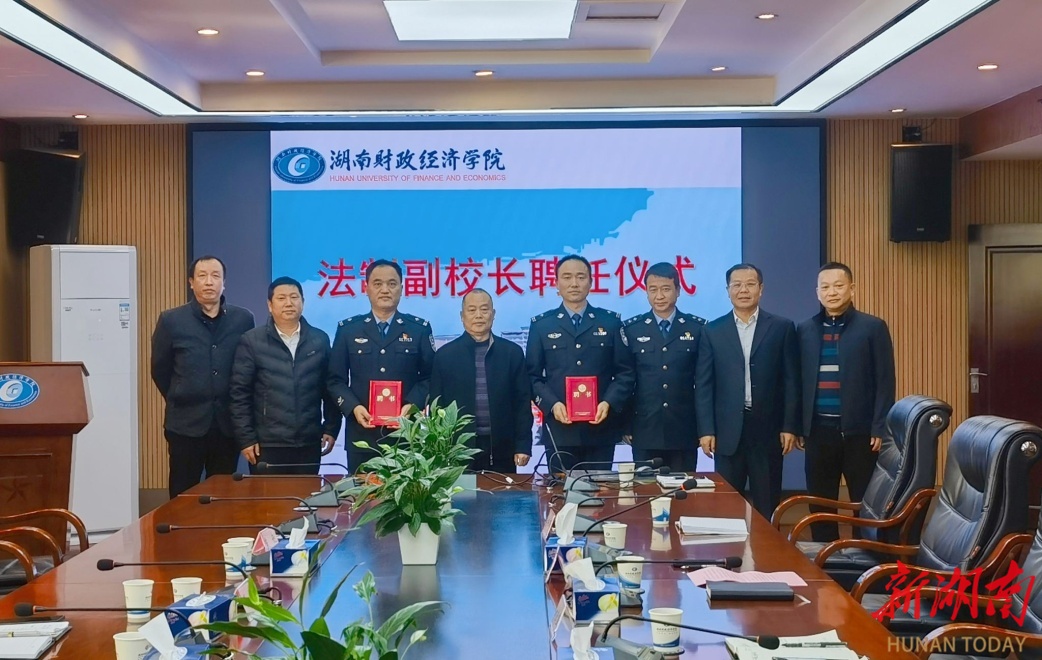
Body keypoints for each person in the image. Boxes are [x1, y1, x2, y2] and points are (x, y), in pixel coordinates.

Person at [798, 261, 896, 541]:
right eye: (825, 287)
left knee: (863, 501)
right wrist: (800, 425)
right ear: (817, 292)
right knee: (820, 501)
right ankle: (823, 555)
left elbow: (885, 381)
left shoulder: (872, 327)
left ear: (852, 289)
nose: (831, 292)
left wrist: (879, 427)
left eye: (838, 286)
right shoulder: (805, 330)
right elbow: (798, 383)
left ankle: (863, 553)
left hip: (860, 433)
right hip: (818, 431)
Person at [695, 263, 800, 517]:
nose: (743, 290)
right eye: (737, 285)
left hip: (768, 429)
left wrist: (789, 426)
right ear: (728, 290)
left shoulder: (782, 327)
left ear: (761, 289)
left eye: (750, 284)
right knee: (726, 505)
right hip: (726, 431)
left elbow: (791, 381)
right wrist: (706, 429)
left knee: (767, 502)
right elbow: (704, 384)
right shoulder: (712, 330)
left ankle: (768, 545)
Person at [151, 255, 255, 498]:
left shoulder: (243, 319)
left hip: (227, 425)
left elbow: (249, 366)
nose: (209, 282)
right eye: (202, 276)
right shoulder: (171, 320)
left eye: (215, 276)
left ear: (224, 283)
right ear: (191, 282)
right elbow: (160, 369)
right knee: (182, 494)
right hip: (185, 424)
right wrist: (182, 393)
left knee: (223, 495)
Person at [526, 255, 635, 468]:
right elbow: (532, 376)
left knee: (601, 488)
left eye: (581, 277)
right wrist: (552, 404)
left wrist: (609, 402)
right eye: (567, 277)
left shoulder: (610, 322)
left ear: (591, 282)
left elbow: (625, 372)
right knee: (559, 488)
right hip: (559, 429)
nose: (574, 283)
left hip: (601, 428)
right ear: (556, 283)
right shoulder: (542, 325)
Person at [328, 260, 435, 471]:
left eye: (392, 284)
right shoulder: (348, 330)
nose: (385, 290)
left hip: (406, 436)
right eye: (377, 284)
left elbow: (431, 376)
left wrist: (413, 405)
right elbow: (335, 380)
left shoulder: (419, 329)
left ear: (401, 288)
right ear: (366, 288)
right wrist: (353, 407)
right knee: (362, 492)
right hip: (362, 435)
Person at [229, 277, 342, 475]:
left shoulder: (319, 340)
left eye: (294, 297)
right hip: (267, 444)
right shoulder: (252, 341)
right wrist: (246, 438)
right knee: (268, 496)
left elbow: (330, 388)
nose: (289, 303)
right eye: (281, 298)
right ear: (270, 305)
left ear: (303, 302)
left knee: (305, 494)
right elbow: (239, 393)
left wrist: (331, 428)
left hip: (309, 442)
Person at [430, 289, 533, 473]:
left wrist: (523, 445)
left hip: (502, 448)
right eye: (472, 310)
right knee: (462, 492)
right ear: (462, 316)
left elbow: (522, 403)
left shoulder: (511, 353)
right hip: (458, 449)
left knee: (502, 492)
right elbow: (436, 406)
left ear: (493, 314)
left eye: (484, 309)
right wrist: (439, 448)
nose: (478, 315)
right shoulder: (445, 356)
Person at [622, 262, 707, 471]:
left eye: (666, 289)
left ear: (678, 291)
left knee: (683, 488)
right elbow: (625, 380)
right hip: (644, 428)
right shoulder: (632, 329)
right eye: (653, 290)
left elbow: (704, 384)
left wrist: (705, 428)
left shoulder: (697, 328)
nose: (659, 296)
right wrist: (625, 425)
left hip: (684, 428)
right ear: (646, 292)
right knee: (645, 488)